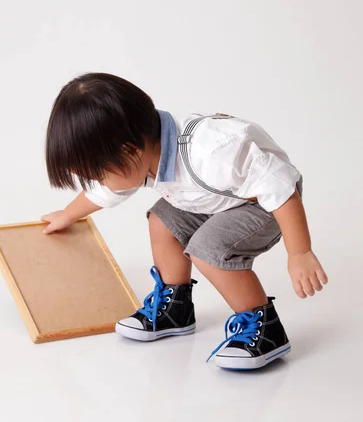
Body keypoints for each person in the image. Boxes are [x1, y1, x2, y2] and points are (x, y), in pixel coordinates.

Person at [41, 72, 328, 370]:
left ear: (129, 152)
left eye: (98, 174)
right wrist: (67, 214)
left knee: (208, 249)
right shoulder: (146, 149)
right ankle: (175, 309)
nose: (99, 182)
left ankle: (265, 327)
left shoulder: (212, 152)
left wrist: (299, 252)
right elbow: (105, 191)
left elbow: (281, 189)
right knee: (162, 219)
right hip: (210, 199)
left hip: (265, 204)